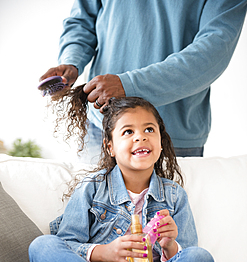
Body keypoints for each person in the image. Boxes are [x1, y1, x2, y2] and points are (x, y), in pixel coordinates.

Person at [29, 96, 215, 262]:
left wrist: (170, 246)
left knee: (201, 258)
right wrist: (103, 252)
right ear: (110, 146)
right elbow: (66, 243)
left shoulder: (174, 196)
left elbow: (186, 259)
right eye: (128, 131)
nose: (140, 137)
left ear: (161, 142)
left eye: (149, 129)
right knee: (42, 245)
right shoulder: (92, 188)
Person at [40, 0, 247, 162]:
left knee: (166, 215)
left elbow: (212, 52)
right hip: (101, 124)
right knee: (94, 209)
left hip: (170, 133)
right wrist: (71, 60)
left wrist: (129, 85)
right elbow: (83, 20)